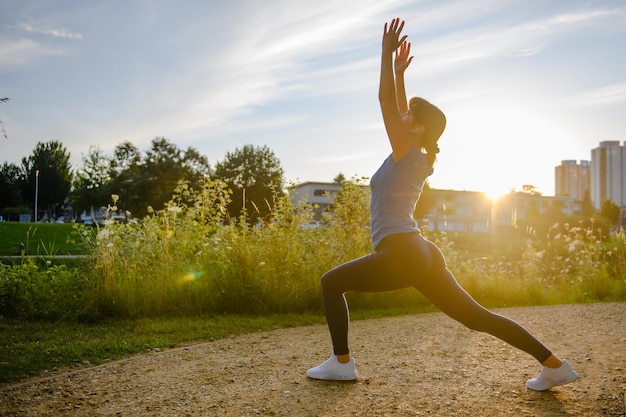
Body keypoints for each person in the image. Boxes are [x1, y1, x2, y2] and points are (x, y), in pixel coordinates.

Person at [306, 18, 579, 392]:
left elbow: (386, 101)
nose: (401, 118)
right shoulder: (414, 155)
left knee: (330, 283)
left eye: (409, 118)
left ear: (416, 129)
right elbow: (401, 106)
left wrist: (385, 56)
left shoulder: (407, 155)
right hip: (421, 253)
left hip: (403, 251)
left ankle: (342, 363)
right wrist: (401, 74)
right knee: (477, 317)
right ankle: (554, 365)